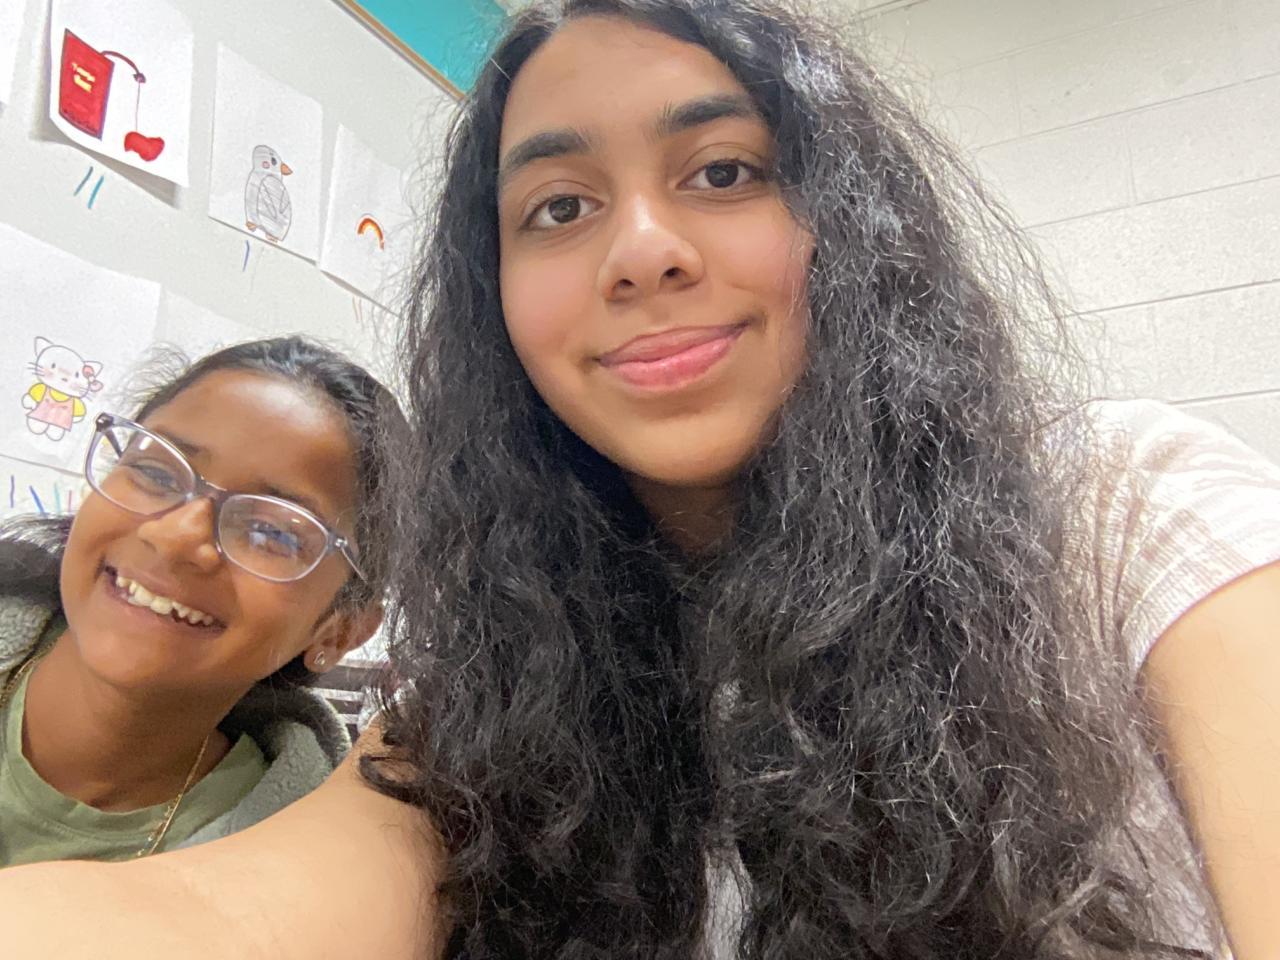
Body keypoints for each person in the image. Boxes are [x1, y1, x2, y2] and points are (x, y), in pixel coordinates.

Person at [3, 2, 1280, 958]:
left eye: (721, 172)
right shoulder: (495, 696)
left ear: (846, 220)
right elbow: (223, 919)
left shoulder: (1124, 512)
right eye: (558, 207)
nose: (641, 251)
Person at [0, 337, 395, 865]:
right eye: (157, 473)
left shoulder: (293, 874)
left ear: (340, 631)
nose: (177, 537)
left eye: (273, 532)